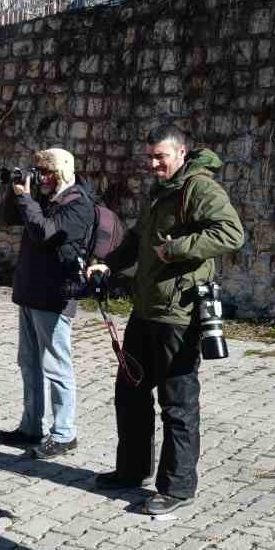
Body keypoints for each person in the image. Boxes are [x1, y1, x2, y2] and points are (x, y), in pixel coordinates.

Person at [86, 124, 245, 516]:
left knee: (177, 402)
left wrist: (176, 250)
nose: (154, 163)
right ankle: (131, 469)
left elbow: (231, 233)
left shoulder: (200, 188)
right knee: (130, 392)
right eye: (151, 157)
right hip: (145, 310)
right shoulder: (162, 192)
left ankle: (176, 488)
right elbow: (140, 238)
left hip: (179, 315)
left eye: (161, 156)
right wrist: (106, 263)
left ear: (181, 153)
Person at [0, 148, 96, 460]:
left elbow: (45, 234)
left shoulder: (78, 204)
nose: (42, 178)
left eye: (48, 172)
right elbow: (7, 217)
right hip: (30, 291)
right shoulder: (41, 198)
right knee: (28, 363)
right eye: (39, 171)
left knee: (56, 366)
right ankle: (30, 426)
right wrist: (15, 191)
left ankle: (65, 433)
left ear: (64, 172)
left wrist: (28, 199)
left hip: (54, 296)